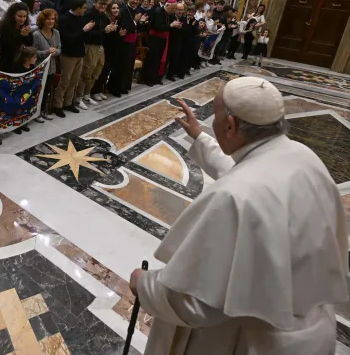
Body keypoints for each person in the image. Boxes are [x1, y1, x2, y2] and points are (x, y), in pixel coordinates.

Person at [130, 77, 348, 355]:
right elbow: (250, 176)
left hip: (246, 341)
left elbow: (195, 303)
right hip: (311, 333)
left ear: (231, 126)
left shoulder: (233, 196)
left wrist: (145, 285)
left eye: (217, 116)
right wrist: (201, 136)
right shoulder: (302, 156)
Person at [54, 0, 94, 117]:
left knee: (74, 81)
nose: (85, 10)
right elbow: (68, 40)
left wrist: (88, 31)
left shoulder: (81, 18)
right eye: (83, 8)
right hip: (68, 54)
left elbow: (84, 37)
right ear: (76, 8)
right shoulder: (64, 19)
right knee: (65, 81)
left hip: (79, 54)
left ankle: (68, 102)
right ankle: (58, 105)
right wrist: (84, 30)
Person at [77, 0, 109, 107]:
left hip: (100, 46)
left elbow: (104, 32)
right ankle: (79, 97)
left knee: (97, 71)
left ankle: (87, 94)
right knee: (87, 72)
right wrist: (104, 31)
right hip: (90, 46)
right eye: (101, 3)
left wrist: (110, 30)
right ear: (95, 2)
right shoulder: (89, 14)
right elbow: (87, 33)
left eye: (105, 4)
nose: (103, 6)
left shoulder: (104, 16)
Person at [93, 2, 128, 98]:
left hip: (114, 49)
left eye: (117, 8)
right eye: (113, 8)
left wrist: (119, 34)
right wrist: (116, 33)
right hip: (105, 48)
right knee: (101, 70)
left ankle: (100, 90)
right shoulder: (106, 19)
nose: (116, 10)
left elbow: (118, 36)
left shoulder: (118, 19)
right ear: (109, 9)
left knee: (107, 70)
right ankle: (94, 91)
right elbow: (105, 36)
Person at [33, 8, 61, 120]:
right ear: (43, 20)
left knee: (47, 91)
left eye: (52, 19)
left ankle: (44, 111)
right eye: (48, 19)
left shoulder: (57, 33)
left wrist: (55, 52)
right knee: (38, 92)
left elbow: (59, 48)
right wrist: (47, 52)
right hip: (40, 68)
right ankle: (36, 113)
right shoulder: (36, 34)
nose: (50, 21)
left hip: (51, 68)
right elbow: (34, 52)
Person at [142, 0, 175, 86]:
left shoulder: (168, 13)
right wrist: (171, 25)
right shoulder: (159, 11)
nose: (173, 10)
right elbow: (157, 26)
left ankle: (155, 78)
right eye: (172, 8)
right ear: (167, 5)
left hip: (162, 40)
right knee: (152, 60)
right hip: (154, 39)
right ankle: (147, 79)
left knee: (159, 60)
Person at [118, 0, 143, 94]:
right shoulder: (123, 10)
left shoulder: (138, 10)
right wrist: (135, 22)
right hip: (123, 42)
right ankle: (118, 88)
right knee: (122, 65)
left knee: (129, 65)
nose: (135, 2)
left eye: (137, 0)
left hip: (133, 42)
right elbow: (124, 26)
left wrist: (141, 23)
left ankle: (125, 86)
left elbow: (139, 28)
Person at [10, 47, 38, 134]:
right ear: (27, 59)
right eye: (34, 57)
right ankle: (16, 125)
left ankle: (23, 122)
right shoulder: (17, 67)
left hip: (27, 91)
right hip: (18, 92)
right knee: (18, 108)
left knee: (26, 107)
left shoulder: (32, 66)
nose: (36, 59)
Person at [0, 2, 33, 71]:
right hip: (8, 63)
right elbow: (9, 46)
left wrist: (26, 36)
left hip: (21, 63)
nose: (22, 19)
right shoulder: (5, 27)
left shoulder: (25, 26)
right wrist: (21, 35)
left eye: (24, 16)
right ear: (13, 15)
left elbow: (30, 43)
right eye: (20, 16)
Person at [165, 2, 185, 81]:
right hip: (169, 40)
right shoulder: (170, 16)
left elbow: (185, 30)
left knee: (175, 58)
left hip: (178, 41)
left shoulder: (184, 18)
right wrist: (173, 26)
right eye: (179, 10)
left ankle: (170, 75)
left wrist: (181, 28)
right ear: (175, 10)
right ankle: (162, 73)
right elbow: (167, 27)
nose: (180, 11)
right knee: (166, 58)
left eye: (182, 10)